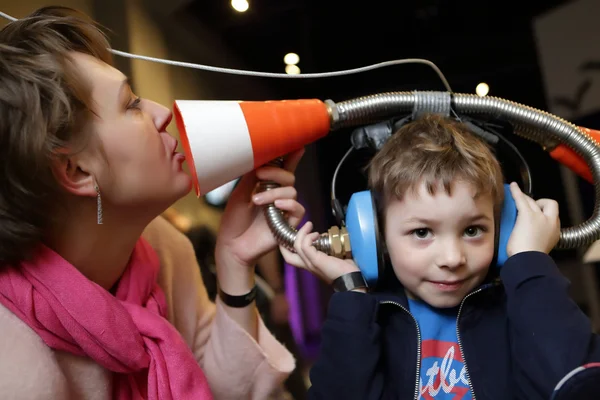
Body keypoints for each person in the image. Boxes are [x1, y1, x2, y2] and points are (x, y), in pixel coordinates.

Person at [0, 6, 306, 399]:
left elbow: (229, 390)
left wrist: (233, 260)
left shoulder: (163, 251)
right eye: (131, 104)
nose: (162, 112)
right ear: (77, 171)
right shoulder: (14, 359)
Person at [267, 114, 600, 399]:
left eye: (473, 230)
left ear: (506, 229)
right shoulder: (370, 321)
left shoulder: (524, 310)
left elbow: (578, 385)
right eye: (422, 232)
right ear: (375, 238)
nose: (452, 258)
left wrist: (529, 263)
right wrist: (351, 292)